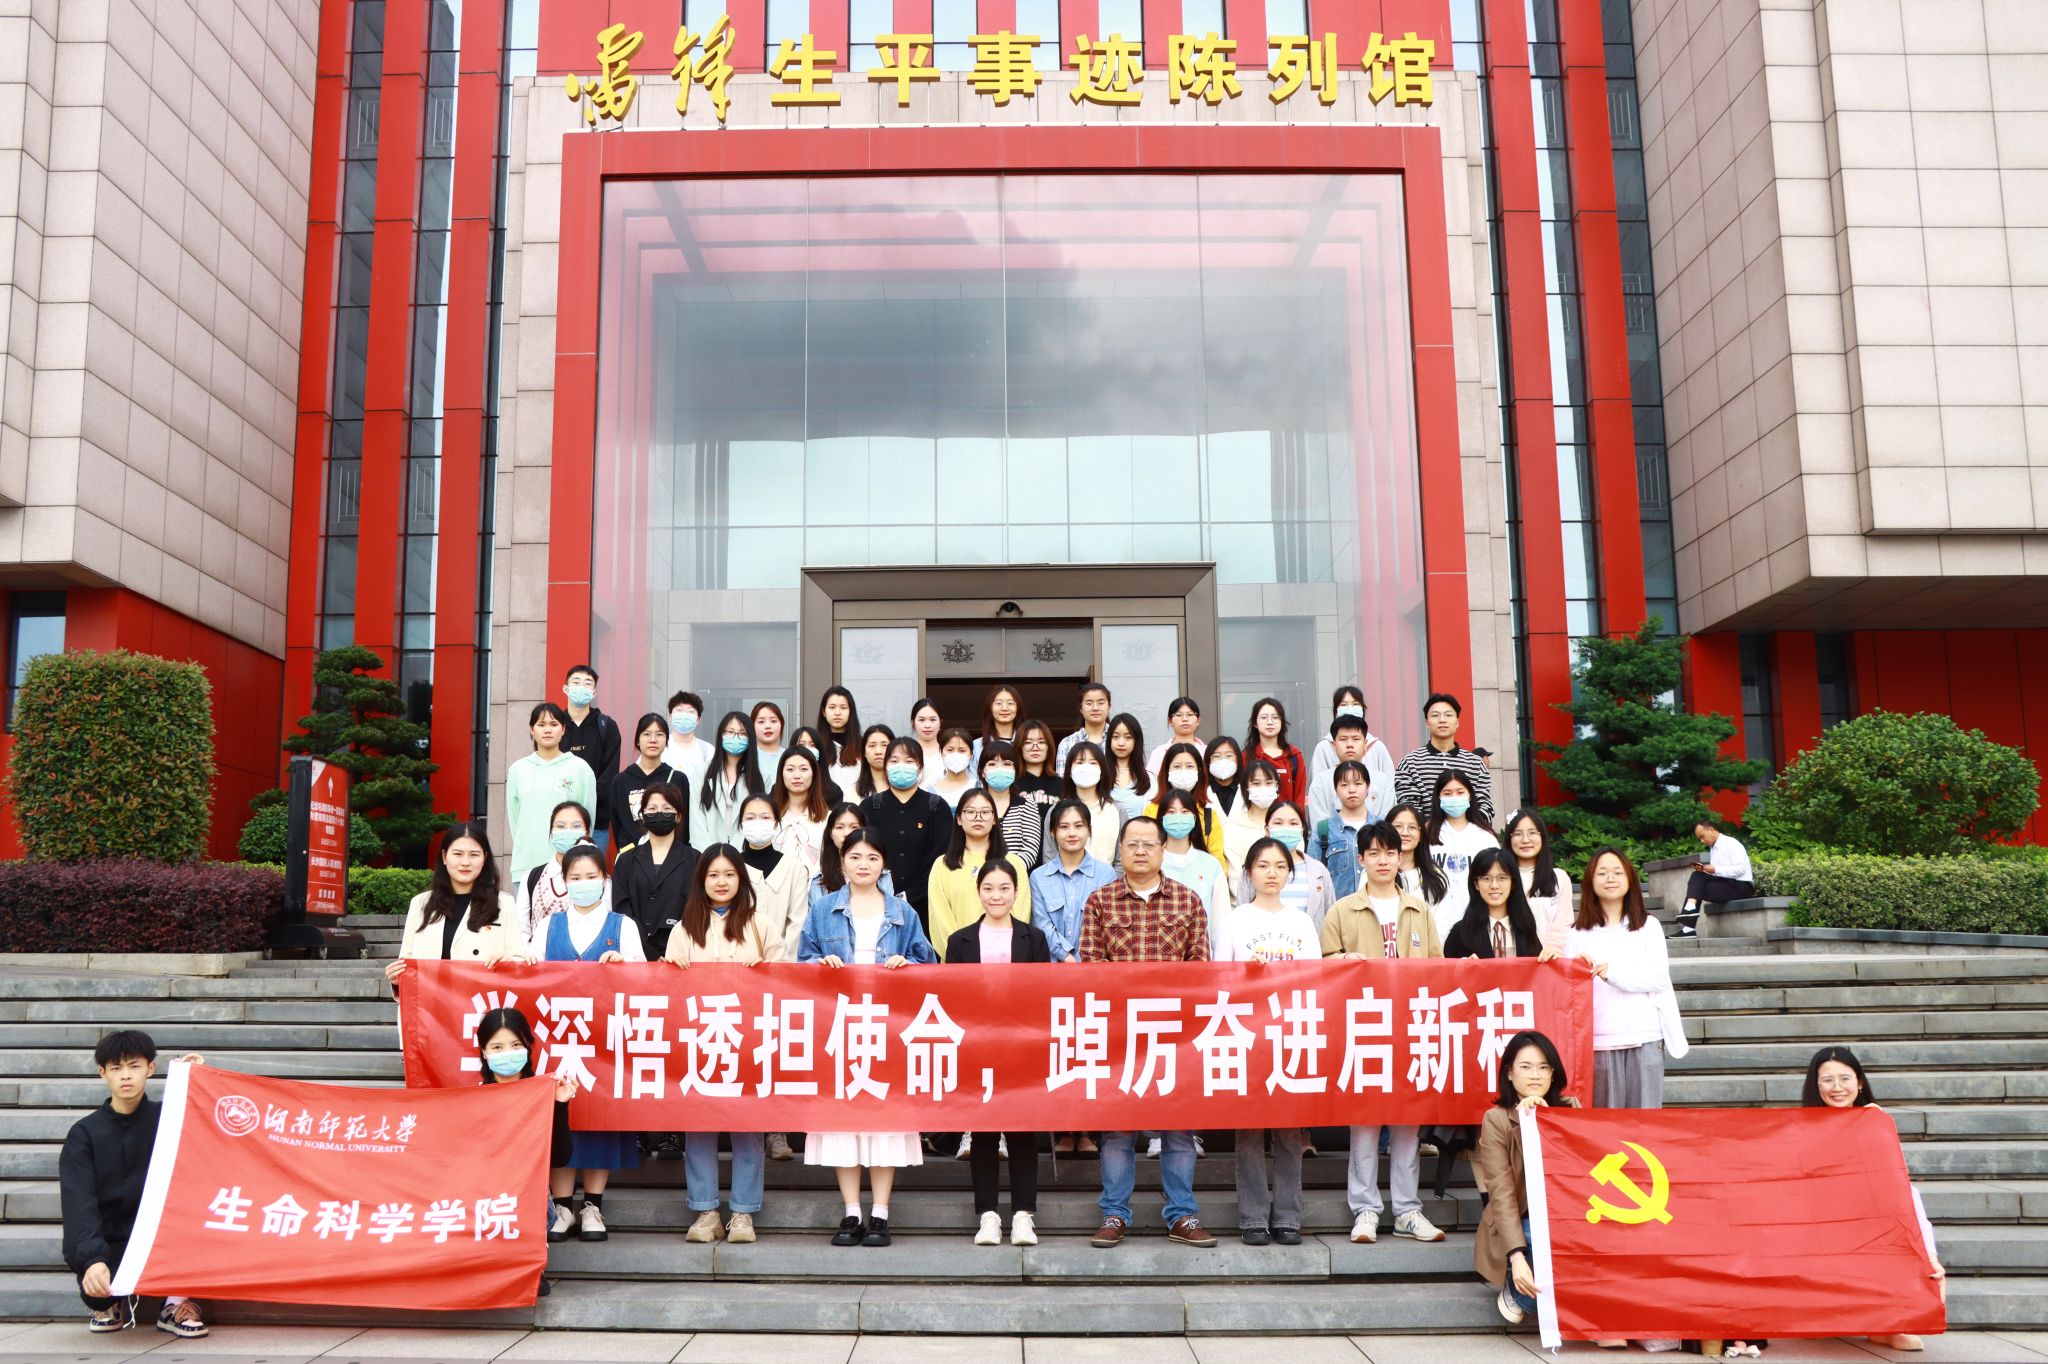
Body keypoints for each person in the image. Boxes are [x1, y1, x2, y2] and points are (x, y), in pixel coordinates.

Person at [796, 829, 939, 1247]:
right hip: (838, 1026)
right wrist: (820, 963)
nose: (863, 864)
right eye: (855, 857)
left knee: (885, 1121)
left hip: (888, 1027)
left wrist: (907, 965)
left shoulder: (903, 911)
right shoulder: (823, 908)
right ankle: (851, 1211)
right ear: (842, 862)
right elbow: (802, 962)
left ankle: (880, 1213)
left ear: (884, 864)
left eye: (872, 858)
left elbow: (928, 963)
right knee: (841, 1122)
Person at [1080, 817, 1217, 1250]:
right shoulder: (1100, 901)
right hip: (1118, 1033)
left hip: (1175, 1034)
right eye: (1132, 844)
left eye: (1149, 844)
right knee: (1118, 1129)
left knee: (1178, 1128)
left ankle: (1182, 1215)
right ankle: (1114, 1214)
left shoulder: (1187, 900)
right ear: (1120, 850)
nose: (1140, 851)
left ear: (1162, 850)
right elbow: (1089, 967)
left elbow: (1201, 969)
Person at [1321, 822, 1442, 1245]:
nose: (1383, 860)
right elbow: (1322, 965)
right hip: (1363, 1029)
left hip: (1410, 1028)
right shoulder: (1342, 910)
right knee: (1365, 1124)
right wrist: (1342, 961)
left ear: (1400, 857)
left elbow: (1438, 967)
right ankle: (1366, 1209)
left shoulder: (1418, 909)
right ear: (1360, 859)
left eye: (1390, 852)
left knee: (1408, 1124)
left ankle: (1407, 1210)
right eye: (1373, 853)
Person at [61, 1031, 209, 1338]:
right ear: (103, 1073)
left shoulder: (169, 1119)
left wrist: (196, 1082)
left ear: (150, 1069)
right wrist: (92, 1260)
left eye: (134, 1066)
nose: (126, 1075)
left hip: (167, 1238)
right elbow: (79, 1205)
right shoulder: (84, 1133)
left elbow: (211, 1128)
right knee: (98, 1291)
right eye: (116, 1068)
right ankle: (108, 1305)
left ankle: (175, 1305)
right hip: (114, 1242)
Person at [528, 843, 640, 1243]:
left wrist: (624, 967)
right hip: (557, 1041)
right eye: (575, 877)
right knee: (562, 1118)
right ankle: (562, 1206)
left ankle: (593, 1205)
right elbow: (527, 974)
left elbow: (647, 982)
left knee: (600, 1121)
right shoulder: (548, 926)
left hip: (605, 1042)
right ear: (564, 882)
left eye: (591, 876)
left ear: (605, 880)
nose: (583, 883)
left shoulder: (622, 926)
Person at [664, 846, 778, 1241]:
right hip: (699, 1043)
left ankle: (743, 1213)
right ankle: (706, 1211)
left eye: (729, 874)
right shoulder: (684, 929)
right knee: (698, 1126)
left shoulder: (760, 924)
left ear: (741, 879)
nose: (721, 881)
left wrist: (767, 970)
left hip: (749, 1043)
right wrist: (672, 970)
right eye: (713, 874)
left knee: (748, 1126)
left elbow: (788, 981)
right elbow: (666, 991)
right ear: (701, 880)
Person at [1803, 1045, 1945, 1354]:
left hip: (1866, 1215)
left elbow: (1898, 1188)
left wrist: (1929, 1253)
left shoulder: (1875, 1122)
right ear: (1816, 1085)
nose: (1837, 1087)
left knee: (1897, 1217)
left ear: (1859, 1083)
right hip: (1818, 1218)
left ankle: (1888, 1325)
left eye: (1845, 1078)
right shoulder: (1799, 1128)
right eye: (1827, 1080)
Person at [1215, 836, 1316, 1247]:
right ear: (1249, 872)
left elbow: (1314, 979)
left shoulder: (1301, 921)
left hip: (1290, 1033)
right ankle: (1253, 1217)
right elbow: (1219, 979)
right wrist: (1245, 973)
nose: (1271, 873)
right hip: (1247, 1034)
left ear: (1290, 873)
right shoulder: (1235, 920)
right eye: (1262, 865)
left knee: (1291, 1132)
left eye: (1279, 866)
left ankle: (1289, 1216)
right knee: (1249, 1132)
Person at [944, 860, 1051, 1247]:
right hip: (978, 1047)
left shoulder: (1033, 938)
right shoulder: (960, 941)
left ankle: (1023, 1215)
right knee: (984, 1133)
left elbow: (1044, 992)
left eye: (1004, 888)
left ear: (1016, 892)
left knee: (1023, 1132)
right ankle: (987, 1215)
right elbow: (952, 996)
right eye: (989, 888)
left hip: (1022, 1047)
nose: (996, 896)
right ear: (978, 893)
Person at [1565, 848, 1688, 1109]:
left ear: (1630, 879)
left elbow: (1658, 978)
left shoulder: (1648, 926)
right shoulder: (1576, 933)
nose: (1610, 878)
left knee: (1644, 1122)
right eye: (1602, 873)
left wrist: (1612, 974)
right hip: (1598, 1041)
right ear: (1590, 881)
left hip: (1645, 1037)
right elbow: (1569, 992)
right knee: (1606, 1125)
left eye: (1617, 872)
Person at [1475, 1030, 1579, 1326]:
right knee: (1537, 1238)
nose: (1535, 1075)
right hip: (1520, 1217)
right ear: (1509, 1073)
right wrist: (1517, 1258)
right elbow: (1502, 1192)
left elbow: (1577, 1171)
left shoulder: (1571, 1108)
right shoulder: (1496, 1119)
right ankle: (1515, 1287)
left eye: (1544, 1067)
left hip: (1564, 1215)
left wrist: (1549, 1123)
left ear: (1553, 1074)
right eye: (1525, 1066)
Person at [475, 1008, 578, 1230]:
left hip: (529, 1203)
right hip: (481, 1201)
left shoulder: (542, 1095)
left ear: (527, 1047)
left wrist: (559, 1105)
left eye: (516, 1045)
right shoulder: (474, 1099)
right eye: (497, 1047)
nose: (507, 1053)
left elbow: (560, 1157)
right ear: (484, 1051)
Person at [388, 821, 523, 980]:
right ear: (444, 857)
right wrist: (396, 979)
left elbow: (518, 959)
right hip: (430, 994)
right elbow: (406, 963)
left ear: (484, 858)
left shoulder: (504, 903)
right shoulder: (421, 904)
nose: (465, 862)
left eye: (474, 855)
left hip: (480, 994)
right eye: (458, 854)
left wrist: (511, 963)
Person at [858, 735, 955, 932]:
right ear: (886, 767)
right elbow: (863, 853)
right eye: (894, 761)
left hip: (926, 908)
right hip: (876, 905)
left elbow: (941, 858)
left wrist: (910, 897)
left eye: (909, 761)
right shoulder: (870, 806)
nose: (901, 766)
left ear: (920, 767)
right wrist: (884, 895)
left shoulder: (936, 807)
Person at [928, 787, 1034, 955]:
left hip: (1004, 959)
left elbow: (1021, 914)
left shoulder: (1014, 863)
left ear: (994, 819)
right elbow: (939, 921)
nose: (978, 817)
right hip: (957, 961)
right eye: (970, 812)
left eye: (985, 812)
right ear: (959, 819)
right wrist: (960, 954)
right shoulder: (942, 865)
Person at [505, 702, 598, 886]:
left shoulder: (580, 768)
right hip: (526, 866)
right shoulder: (518, 769)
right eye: (541, 724)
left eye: (554, 724)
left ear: (563, 729)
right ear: (532, 730)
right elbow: (515, 821)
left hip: (569, 867)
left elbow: (588, 820)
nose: (547, 730)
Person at [610, 782, 701, 961]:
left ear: (679, 816)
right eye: (652, 808)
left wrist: (674, 948)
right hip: (635, 954)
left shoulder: (695, 859)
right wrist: (648, 952)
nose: (659, 813)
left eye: (667, 808)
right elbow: (621, 909)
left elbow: (696, 908)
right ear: (643, 816)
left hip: (681, 955)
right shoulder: (626, 860)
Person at [1030, 797, 1119, 967]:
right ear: (1052, 831)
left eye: (1079, 826)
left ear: (1089, 830)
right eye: (1064, 827)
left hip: (1092, 968)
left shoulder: (1106, 874)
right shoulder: (1038, 877)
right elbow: (1041, 924)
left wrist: (1081, 960)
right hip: (1051, 968)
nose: (1072, 833)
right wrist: (1066, 956)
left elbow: (1108, 925)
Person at [1234, 799, 1335, 932]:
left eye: (1293, 823)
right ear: (1267, 829)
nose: (1286, 828)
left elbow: (1330, 918)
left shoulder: (1319, 871)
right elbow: (1242, 918)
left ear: (1302, 830)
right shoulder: (1252, 869)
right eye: (1278, 823)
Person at [1394, 692, 1495, 822]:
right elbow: (1408, 808)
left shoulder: (1476, 763)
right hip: (1426, 834)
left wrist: (1464, 829)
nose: (1442, 720)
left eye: (1448, 715)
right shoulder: (1409, 762)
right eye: (1435, 715)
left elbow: (1485, 806)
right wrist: (1434, 830)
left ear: (1457, 722)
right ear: (1427, 723)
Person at [1423, 770, 1498, 941]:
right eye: (1447, 793)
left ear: (1470, 796)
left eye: (1460, 792)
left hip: (1478, 923)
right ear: (1438, 797)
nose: (1454, 798)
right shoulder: (1426, 836)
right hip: (1434, 924)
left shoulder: (1485, 837)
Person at [516, 800, 605, 942]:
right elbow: (521, 929)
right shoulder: (531, 877)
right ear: (551, 832)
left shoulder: (600, 879)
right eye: (560, 826)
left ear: (587, 833)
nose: (568, 831)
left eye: (576, 826)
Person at [735, 792, 810, 959]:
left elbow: (797, 924)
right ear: (741, 824)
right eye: (750, 818)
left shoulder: (795, 868)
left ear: (776, 823)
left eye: (765, 817)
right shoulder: (731, 867)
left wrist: (781, 963)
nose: (757, 823)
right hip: (739, 963)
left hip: (782, 964)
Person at [1157, 787, 1232, 953]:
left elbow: (1221, 922)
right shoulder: (1152, 863)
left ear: (1194, 819)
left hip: (1201, 957)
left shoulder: (1211, 865)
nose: (1178, 817)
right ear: (1162, 818)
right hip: (1160, 957)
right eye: (1171, 812)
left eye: (1185, 812)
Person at [1443, 848, 1551, 961]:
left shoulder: (1526, 928)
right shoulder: (1460, 933)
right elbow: (1446, 969)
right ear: (1476, 884)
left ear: (1513, 883)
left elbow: (1536, 969)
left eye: (1502, 878)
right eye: (1486, 878)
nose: (1494, 885)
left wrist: (1550, 959)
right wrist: (1461, 966)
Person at [558, 664, 622, 854]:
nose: (581, 687)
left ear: (594, 692)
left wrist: (587, 805)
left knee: (591, 870)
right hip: (559, 823)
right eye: (576, 682)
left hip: (596, 825)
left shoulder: (607, 726)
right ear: (566, 688)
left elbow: (609, 775)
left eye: (587, 683)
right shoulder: (554, 725)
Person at [1143, 742, 1227, 865]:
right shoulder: (1152, 811)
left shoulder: (1209, 815)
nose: (1183, 772)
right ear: (1167, 771)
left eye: (1189, 766)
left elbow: (1217, 859)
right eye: (1177, 766)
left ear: (1199, 771)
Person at [1502, 810, 1574, 951]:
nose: (1525, 840)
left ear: (1542, 836)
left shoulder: (1559, 878)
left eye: (1532, 833)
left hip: (1549, 957)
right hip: (1510, 958)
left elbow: (1563, 924)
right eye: (1518, 834)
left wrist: (1549, 951)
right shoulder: (1501, 878)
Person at [612, 713, 685, 849]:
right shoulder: (621, 781)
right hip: (632, 855)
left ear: (666, 740)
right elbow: (618, 825)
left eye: (659, 734)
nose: (653, 740)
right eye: (646, 734)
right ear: (638, 740)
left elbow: (683, 826)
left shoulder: (677, 779)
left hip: (669, 852)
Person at [692, 710, 762, 852]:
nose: (736, 737)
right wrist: (710, 855)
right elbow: (696, 819)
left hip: (744, 855)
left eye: (742, 733)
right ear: (721, 735)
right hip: (707, 855)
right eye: (730, 732)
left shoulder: (760, 777)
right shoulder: (702, 771)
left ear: (750, 738)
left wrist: (735, 855)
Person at [1309, 685, 1396, 798]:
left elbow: (1389, 784)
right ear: (1335, 711)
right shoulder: (1323, 747)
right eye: (1344, 705)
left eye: (1355, 704)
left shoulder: (1377, 746)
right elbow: (1317, 788)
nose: (1350, 709)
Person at [1308, 713, 1392, 826]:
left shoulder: (1383, 781)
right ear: (1334, 745)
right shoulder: (1320, 782)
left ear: (1365, 744)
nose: (1349, 745)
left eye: (1356, 739)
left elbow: (1387, 825)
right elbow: (1319, 826)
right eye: (1343, 739)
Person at [1307, 760, 1375, 899]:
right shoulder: (1323, 830)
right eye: (1344, 785)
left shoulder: (1381, 827)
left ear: (1367, 787)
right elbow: (1312, 877)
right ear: (1336, 790)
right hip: (1336, 909)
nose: (1352, 789)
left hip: (1375, 908)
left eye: (1358, 784)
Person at [810, 802, 897, 907]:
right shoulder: (820, 880)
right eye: (839, 827)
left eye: (854, 827)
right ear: (830, 833)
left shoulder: (882, 876)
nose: (847, 833)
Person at [1681, 819, 1756, 937]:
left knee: (1696, 888)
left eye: (1702, 836)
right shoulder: (1713, 848)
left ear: (1711, 830)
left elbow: (1741, 869)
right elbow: (1718, 873)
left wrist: (1716, 869)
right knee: (1697, 877)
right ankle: (1689, 917)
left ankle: (1688, 924)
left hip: (1741, 887)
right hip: (1726, 884)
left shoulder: (1731, 843)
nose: (1702, 841)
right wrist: (1706, 870)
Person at [975, 741, 1043, 868]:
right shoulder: (973, 805)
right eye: (992, 764)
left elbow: (1030, 850)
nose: (1000, 769)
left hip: (1016, 876)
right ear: (982, 772)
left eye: (1006, 764)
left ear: (1015, 770)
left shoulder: (1027, 805)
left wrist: (1004, 872)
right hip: (976, 874)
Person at [771, 747, 832, 875]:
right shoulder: (769, 816)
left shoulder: (828, 818)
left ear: (814, 773)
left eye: (804, 769)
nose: (797, 776)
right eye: (790, 769)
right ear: (781, 774)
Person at [1059, 740, 1122, 864]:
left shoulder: (1117, 810)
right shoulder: (1057, 810)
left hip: (1108, 876)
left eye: (1093, 763)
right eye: (1079, 762)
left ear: (1102, 770)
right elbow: (1050, 854)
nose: (1086, 768)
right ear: (1069, 771)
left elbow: (1122, 857)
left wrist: (1111, 877)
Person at [1244, 697, 1307, 808]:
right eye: (1264, 717)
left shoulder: (1294, 756)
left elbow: (1299, 796)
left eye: (1275, 717)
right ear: (1255, 723)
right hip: (1255, 818)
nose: (1270, 722)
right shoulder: (1247, 757)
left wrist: (1297, 818)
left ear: (1282, 722)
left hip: (1287, 818)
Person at [1224, 757, 1282, 871]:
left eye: (1269, 783)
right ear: (1246, 789)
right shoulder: (1233, 827)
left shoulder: (1287, 823)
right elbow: (1234, 872)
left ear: (1276, 787)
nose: (1263, 788)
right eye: (1256, 783)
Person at [1387, 802, 1446, 907]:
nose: (1405, 833)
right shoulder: (1374, 870)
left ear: (1420, 835)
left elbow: (1442, 914)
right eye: (1398, 826)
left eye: (1412, 827)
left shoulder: (1435, 875)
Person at [661, 689, 715, 791]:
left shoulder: (707, 750)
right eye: (679, 710)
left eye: (691, 711)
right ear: (670, 717)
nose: (684, 715)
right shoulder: (659, 745)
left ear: (698, 720)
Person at [816, 686, 865, 792]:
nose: (837, 712)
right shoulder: (815, 745)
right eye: (832, 707)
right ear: (823, 711)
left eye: (843, 707)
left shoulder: (863, 746)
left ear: (850, 711)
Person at [1105, 713, 1152, 821]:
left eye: (1128, 737)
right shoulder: (1100, 776)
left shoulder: (1150, 779)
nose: (1121, 743)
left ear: (1136, 741)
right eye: (1115, 737)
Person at [1056, 681, 1113, 768]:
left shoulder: (1118, 739)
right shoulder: (1067, 743)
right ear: (1081, 708)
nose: (1095, 708)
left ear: (1109, 707)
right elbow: (1063, 776)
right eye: (1089, 703)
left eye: (1101, 703)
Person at [1145, 696, 1206, 772]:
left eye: (1190, 715)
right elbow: (1152, 778)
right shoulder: (1159, 753)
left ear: (1198, 721)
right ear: (1170, 721)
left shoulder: (1208, 752)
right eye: (1178, 715)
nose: (1185, 719)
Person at [928, 726, 978, 809]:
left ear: (971, 754)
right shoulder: (930, 791)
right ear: (941, 752)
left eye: (962, 750)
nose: (956, 755)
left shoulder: (980, 787)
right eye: (950, 750)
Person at [975, 682, 1026, 762]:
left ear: (1018, 708)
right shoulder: (977, 745)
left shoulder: (1026, 743)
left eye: (1010, 703)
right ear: (990, 708)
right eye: (999, 703)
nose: (1004, 708)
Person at [851, 723, 897, 801]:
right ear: (864, 752)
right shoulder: (853, 792)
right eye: (872, 745)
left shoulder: (906, 788)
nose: (878, 751)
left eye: (884, 745)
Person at [1205, 736, 1246, 821]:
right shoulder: (1201, 792)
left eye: (1229, 755)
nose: (1223, 760)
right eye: (1216, 756)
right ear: (1208, 761)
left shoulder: (1247, 791)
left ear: (1237, 760)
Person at [749, 701, 788, 788]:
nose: (768, 726)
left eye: (773, 721)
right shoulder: (746, 756)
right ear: (752, 726)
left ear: (781, 724)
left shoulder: (789, 756)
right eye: (761, 722)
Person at [909, 697, 945, 783]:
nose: (927, 725)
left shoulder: (948, 752)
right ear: (913, 723)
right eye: (921, 720)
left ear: (940, 722)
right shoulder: (906, 752)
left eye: (933, 720)